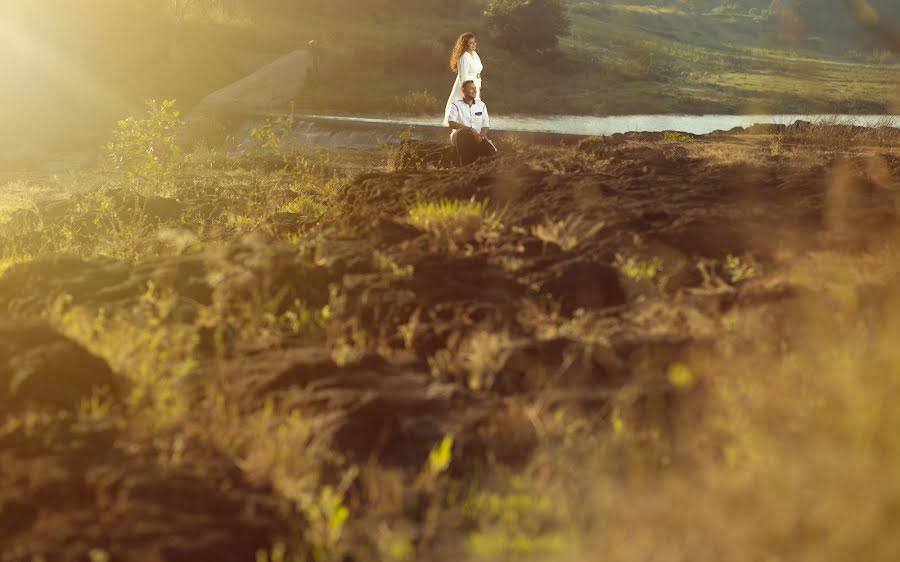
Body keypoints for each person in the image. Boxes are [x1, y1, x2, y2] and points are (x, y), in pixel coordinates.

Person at [447, 80, 497, 166]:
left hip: (478, 136)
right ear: (463, 90)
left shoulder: (481, 105)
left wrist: (481, 136)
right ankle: (464, 165)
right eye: (471, 88)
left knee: (491, 152)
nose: (474, 91)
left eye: (475, 88)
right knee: (464, 135)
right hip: (460, 135)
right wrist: (470, 129)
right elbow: (451, 123)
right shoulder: (455, 105)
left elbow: (486, 125)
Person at [442, 32, 483, 127]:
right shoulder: (463, 57)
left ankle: (475, 132)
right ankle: (465, 132)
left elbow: (478, 69)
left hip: (476, 84)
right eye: (471, 43)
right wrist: (467, 92)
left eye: (474, 42)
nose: (474, 44)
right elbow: (463, 77)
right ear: (465, 44)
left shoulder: (474, 54)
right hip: (468, 86)